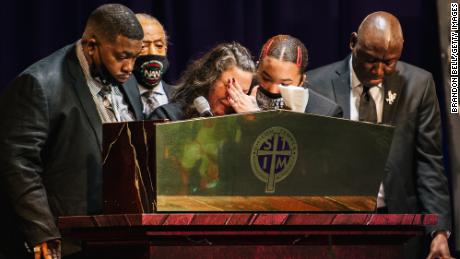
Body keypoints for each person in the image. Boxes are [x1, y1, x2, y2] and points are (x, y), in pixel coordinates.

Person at [0, 4, 144, 258]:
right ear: (91, 46)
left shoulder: (126, 78)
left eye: (135, 56)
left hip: (122, 237)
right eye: (122, 56)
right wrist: (43, 231)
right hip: (69, 242)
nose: (130, 68)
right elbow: (18, 164)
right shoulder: (41, 84)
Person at [307, 11, 452, 258]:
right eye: (370, 60)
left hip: (398, 225)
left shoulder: (419, 85)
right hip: (336, 228)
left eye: (389, 62)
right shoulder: (315, 84)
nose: (379, 70)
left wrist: (438, 232)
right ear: (353, 43)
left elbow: (429, 162)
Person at [151, 42, 258, 121]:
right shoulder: (167, 117)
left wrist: (254, 121)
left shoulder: (244, 122)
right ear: (210, 78)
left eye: (242, 92)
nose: (232, 97)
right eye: (229, 86)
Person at [253, 34, 342, 117]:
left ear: (301, 81)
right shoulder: (242, 94)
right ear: (257, 69)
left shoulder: (325, 113)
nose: (273, 90)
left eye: (284, 84)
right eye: (266, 78)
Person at [133, 13, 176, 118]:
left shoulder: (179, 98)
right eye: (143, 46)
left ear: (166, 50)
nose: (153, 52)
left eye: (159, 45)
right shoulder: (116, 97)